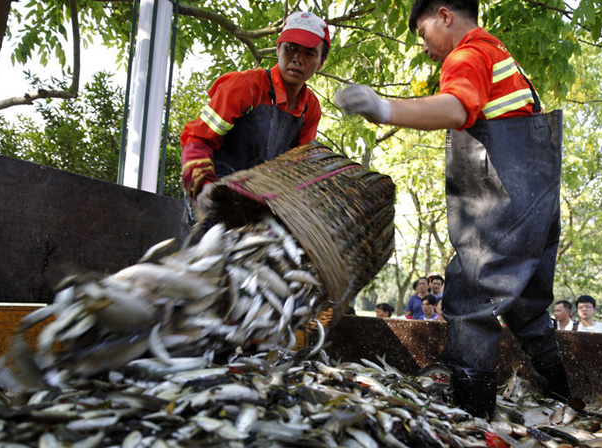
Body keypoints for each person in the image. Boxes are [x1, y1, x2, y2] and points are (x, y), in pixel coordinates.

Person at [334, 0, 576, 417]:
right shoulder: (501, 56)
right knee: (529, 309)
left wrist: (384, 107)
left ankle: (470, 420)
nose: (425, 46)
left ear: (445, 15)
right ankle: (565, 401)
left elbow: (456, 107)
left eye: (424, 33)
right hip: (537, 203)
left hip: (503, 201)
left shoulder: (468, 53)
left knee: (469, 299)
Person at [179, 11, 330, 240]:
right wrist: (204, 187)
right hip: (213, 196)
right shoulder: (245, 86)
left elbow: (297, 169)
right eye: (290, 48)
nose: (297, 58)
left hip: (254, 209)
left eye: (309, 53)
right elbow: (197, 139)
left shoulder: (310, 108)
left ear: (321, 62)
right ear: (278, 48)